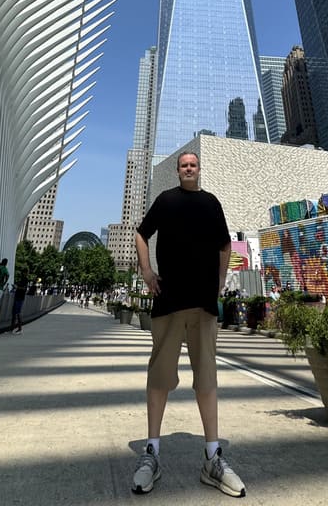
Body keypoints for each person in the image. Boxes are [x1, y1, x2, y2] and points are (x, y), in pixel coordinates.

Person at [131, 151, 245, 498]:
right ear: (178, 172)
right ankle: (152, 452)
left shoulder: (212, 203)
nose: (188, 169)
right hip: (169, 301)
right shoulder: (165, 200)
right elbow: (140, 234)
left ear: (199, 169)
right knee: (160, 377)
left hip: (204, 305)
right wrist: (147, 271)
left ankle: (212, 456)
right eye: (184, 166)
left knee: (207, 378)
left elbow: (225, 246)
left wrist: (221, 281)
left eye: (193, 165)